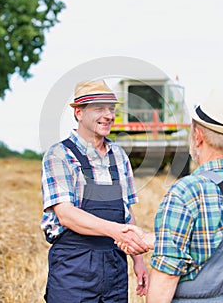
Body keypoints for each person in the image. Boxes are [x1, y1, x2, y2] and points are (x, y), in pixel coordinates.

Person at [117, 87, 223, 302]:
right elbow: (210, 235)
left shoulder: (187, 193)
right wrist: (156, 240)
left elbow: (166, 278)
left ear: (197, 137)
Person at [40, 79, 149, 303]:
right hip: (74, 268)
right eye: (99, 108)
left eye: (111, 108)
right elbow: (66, 215)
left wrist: (138, 261)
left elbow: (126, 212)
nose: (109, 115)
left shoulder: (118, 156)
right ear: (79, 113)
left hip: (115, 268)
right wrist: (117, 231)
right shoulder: (59, 155)